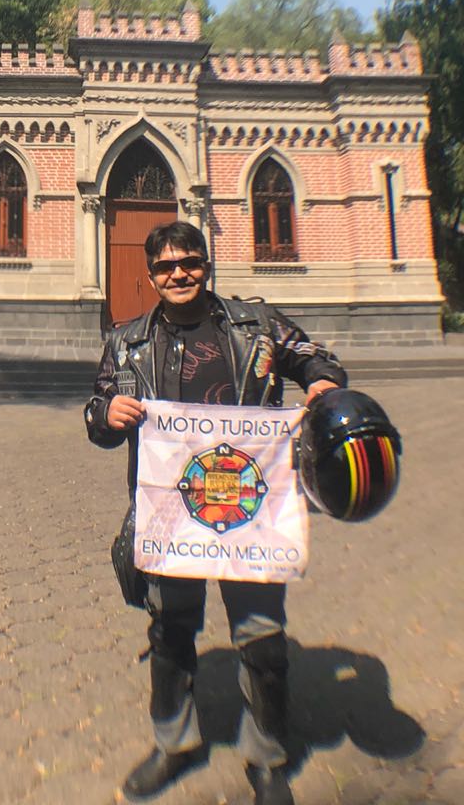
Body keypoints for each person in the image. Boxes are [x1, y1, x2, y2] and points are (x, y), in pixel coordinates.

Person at [84, 221, 346, 805]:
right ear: (151, 275)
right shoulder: (126, 342)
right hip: (169, 516)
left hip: (252, 512)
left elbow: (313, 356)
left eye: (190, 262)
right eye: (165, 266)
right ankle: (173, 744)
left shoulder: (257, 325)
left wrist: (323, 382)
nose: (179, 274)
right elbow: (96, 414)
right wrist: (107, 414)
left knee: (263, 640)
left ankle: (267, 757)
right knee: (170, 632)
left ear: (207, 264)